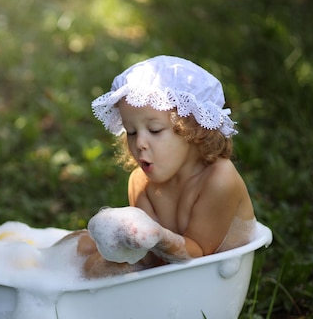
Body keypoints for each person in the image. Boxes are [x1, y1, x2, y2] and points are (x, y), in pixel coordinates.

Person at [67, 55, 256, 278]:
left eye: (155, 130)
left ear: (193, 130)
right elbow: (149, 258)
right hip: (168, 281)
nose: (139, 143)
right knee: (79, 250)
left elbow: (199, 255)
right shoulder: (140, 181)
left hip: (210, 284)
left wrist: (156, 235)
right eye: (131, 131)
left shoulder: (218, 178)